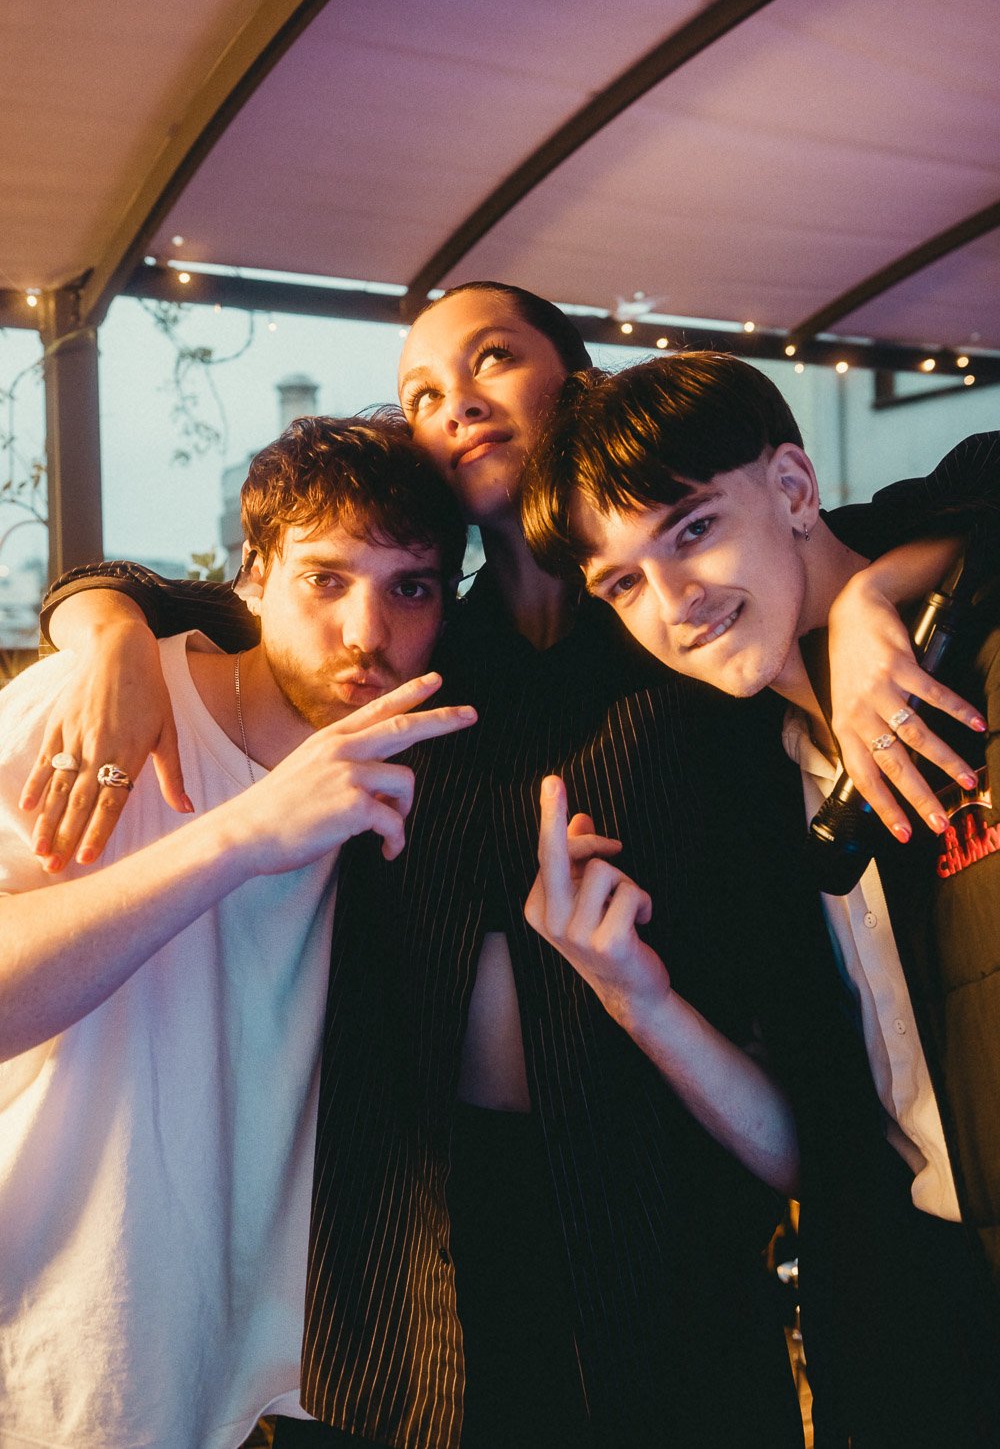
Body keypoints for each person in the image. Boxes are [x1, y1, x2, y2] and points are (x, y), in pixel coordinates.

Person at [31, 287, 991, 1448]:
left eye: (491, 359)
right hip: (412, 1256)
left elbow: (916, 508)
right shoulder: (409, 650)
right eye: (421, 393)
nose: (456, 405)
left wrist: (879, 592)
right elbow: (246, 602)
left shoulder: (695, 637)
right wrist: (105, 620)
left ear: (575, 381)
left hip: (668, 1233)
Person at [521, 351, 1000, 1445]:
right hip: (914, 1340)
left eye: (691, 528)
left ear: (792, 486)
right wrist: (633, 996)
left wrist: (880, 586)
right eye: (622, 582)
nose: (674, 603)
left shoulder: (975, 660)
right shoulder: (740, 787)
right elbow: (821, 1154)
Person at [0, 416, 476, 1449]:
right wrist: (241, 836)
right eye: (324, 578)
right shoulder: (98, 709)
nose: (365, 631)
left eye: (410, 587)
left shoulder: (429, 768)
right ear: (253, 577)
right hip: (54, 1350)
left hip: (275, 1379)